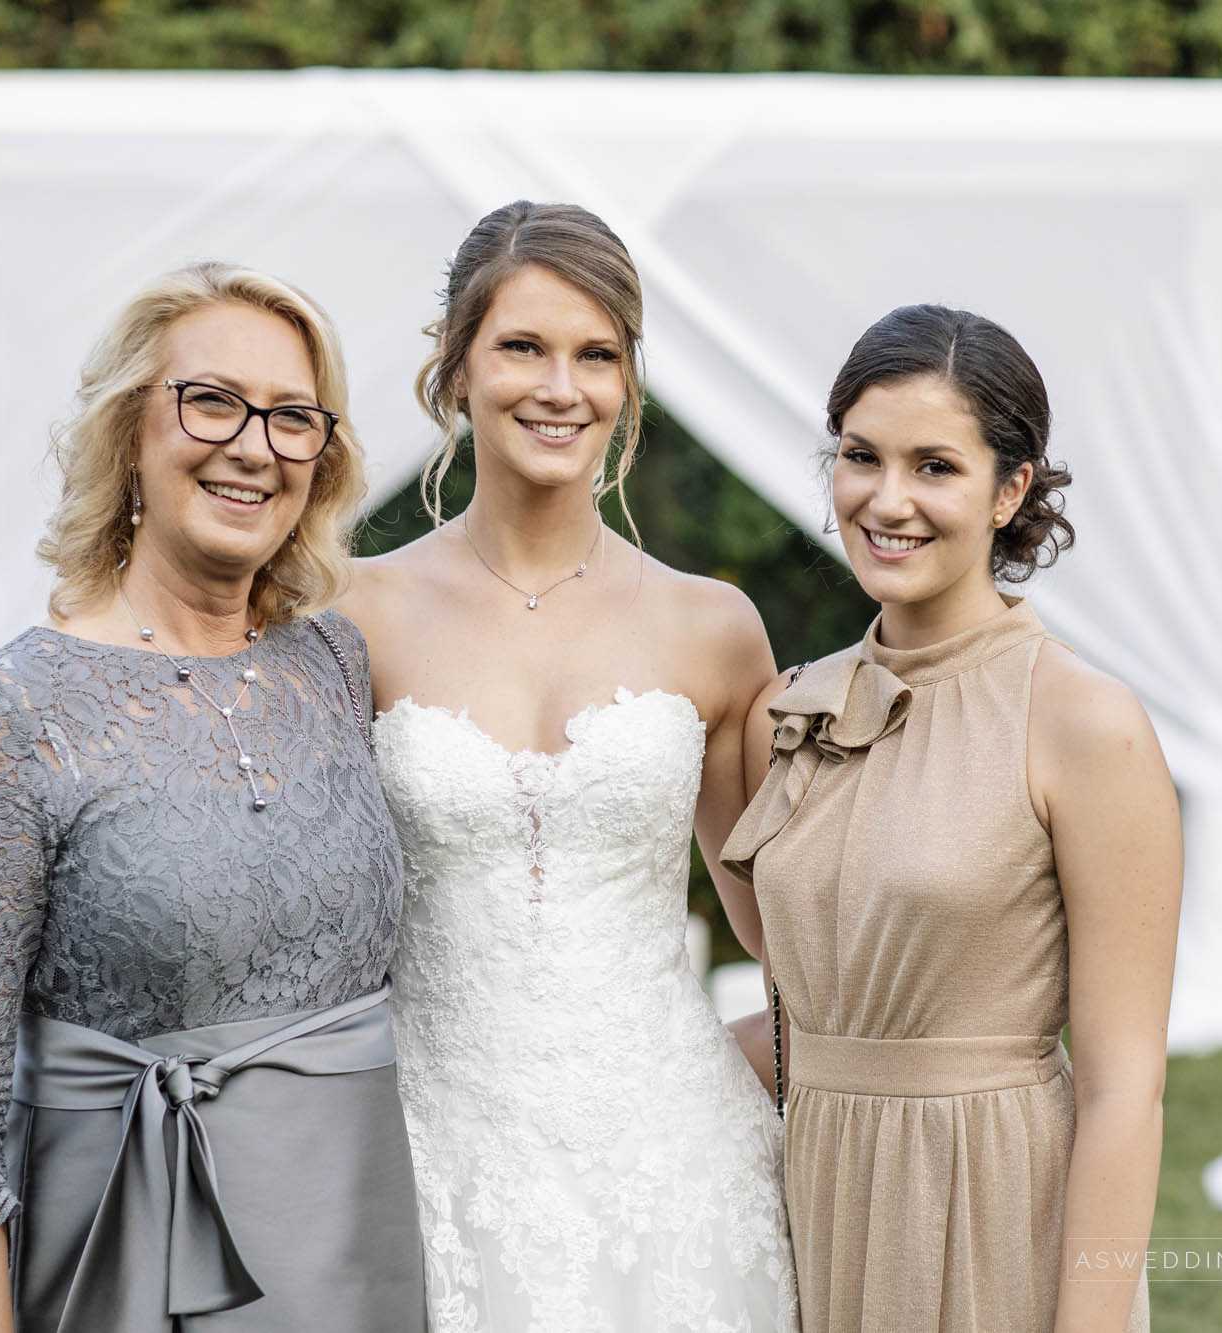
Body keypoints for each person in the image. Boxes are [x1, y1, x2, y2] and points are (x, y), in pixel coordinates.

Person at [0, 261, 424, 1332]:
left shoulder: (335, 663)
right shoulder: (11, 712)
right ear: (129, 428)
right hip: (127, 1268)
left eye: (291, 417)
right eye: (212, 400)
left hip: (358, 1263)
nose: (253, 445)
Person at [339, 200, 800, 1332]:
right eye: (521, 347)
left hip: (676, 1171)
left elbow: (786, 928)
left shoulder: (714, 627)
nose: (561, 386)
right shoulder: (352, 612)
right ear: (453, 368)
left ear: (629, 384)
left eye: (597, 354)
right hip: (431, 1162)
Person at [721, 304, 1180, 1332]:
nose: (886, 500)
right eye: (859, 456)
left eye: (934, 465)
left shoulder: (1083, 723)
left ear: (1009, 488)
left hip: (988, 1207)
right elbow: (792, 1003)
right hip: (812, 1203)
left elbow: (1122, 1089)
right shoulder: (789, 708)